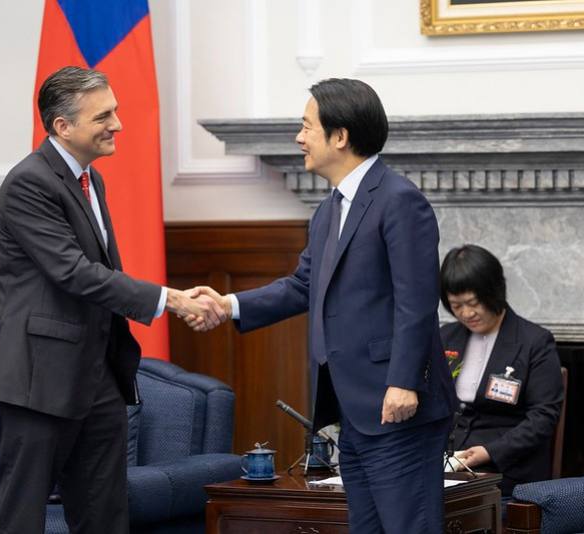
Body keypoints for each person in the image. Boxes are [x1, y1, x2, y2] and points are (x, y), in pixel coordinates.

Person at [190, 78, 457, 534]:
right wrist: (228, 303)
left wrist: (404, 383)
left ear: (340, 136)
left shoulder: (399, 200)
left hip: (397, 407)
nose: (299, 138)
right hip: (353, 409)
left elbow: (417, 301)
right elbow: (302, 286)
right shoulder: (329, 210)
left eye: (307, 126)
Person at [0, 66, 224, 534]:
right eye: (103, 116)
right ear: (62, 126)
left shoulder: (91, 180)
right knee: (21, 520)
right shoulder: (29, 183)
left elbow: (100, 273)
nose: (118, 125)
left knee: (106, 517)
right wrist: (168, 299)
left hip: (97, 378)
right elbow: (73, 272)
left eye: (116, 111)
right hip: (36, 381)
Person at [440, 244, 564, 497]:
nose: (466, 313)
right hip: (446, 465)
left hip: (506, 469)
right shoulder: (445, 338)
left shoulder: (534, 342)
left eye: (473, 302)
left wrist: (490, 451)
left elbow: (543, 417)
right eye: (456, 305)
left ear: (494, 292)